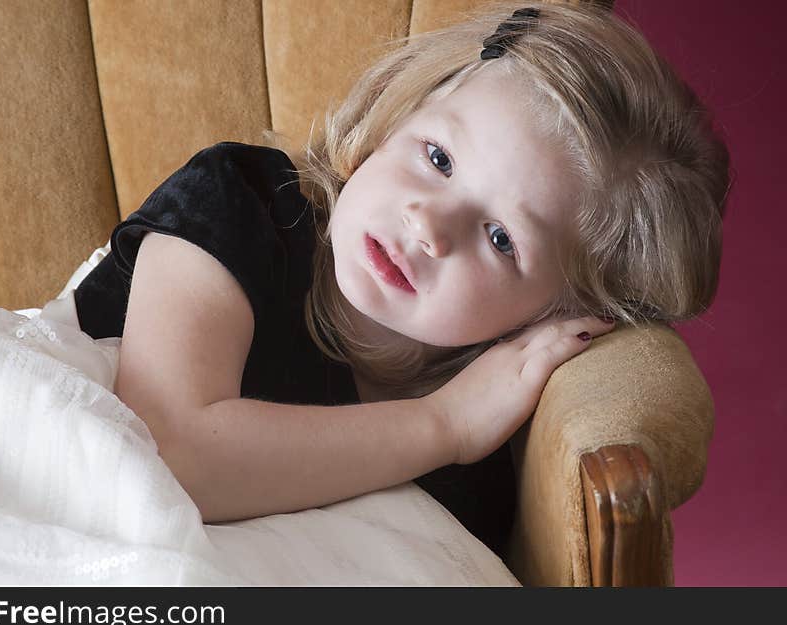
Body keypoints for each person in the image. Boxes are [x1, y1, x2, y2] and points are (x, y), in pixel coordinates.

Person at [72, 1, 730, 555]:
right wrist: (441, 424)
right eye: (438, 157)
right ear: (396, 115)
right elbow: (170, 453)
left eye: (502, 238)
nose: (428, 225)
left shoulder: (482, 460)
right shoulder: (236, 204)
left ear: (551, 314)